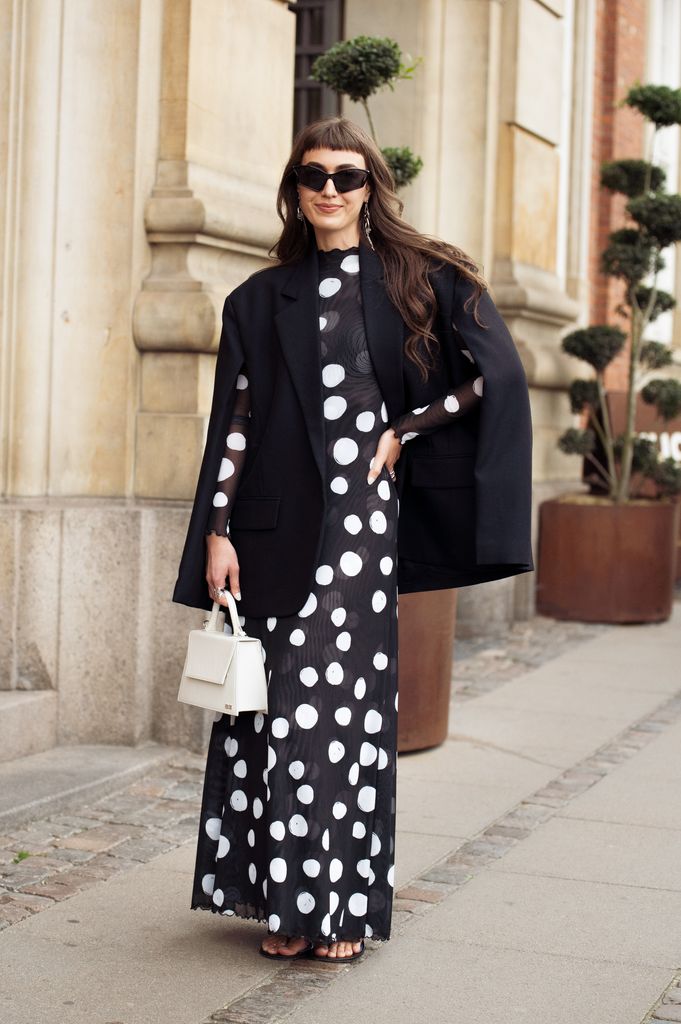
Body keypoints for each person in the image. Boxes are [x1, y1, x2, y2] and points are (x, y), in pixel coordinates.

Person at [172, 116, 533, 963]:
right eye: (312, 176)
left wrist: (407, 427)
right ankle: (286, 906)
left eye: (347, 176)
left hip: (361, 531)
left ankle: (336, 907)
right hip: (267, 528)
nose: (329, 189)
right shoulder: (257, 300)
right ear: (294, 192)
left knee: (343, 715)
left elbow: (495, 374)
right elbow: (236, 420)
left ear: (371, 188)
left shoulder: (418, 278)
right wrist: (217, 533)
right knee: (274, 715)